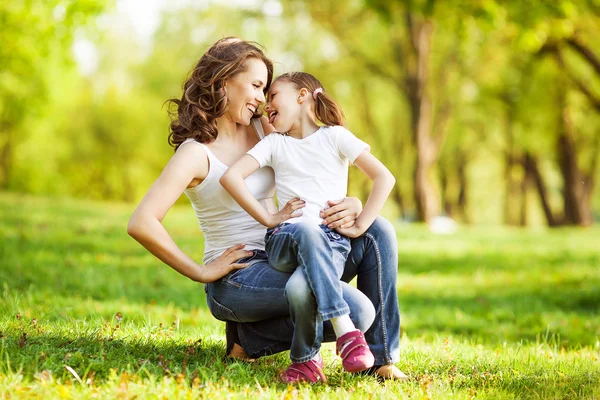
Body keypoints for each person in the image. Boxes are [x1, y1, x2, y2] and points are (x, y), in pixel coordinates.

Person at [127, 37, 407, 383]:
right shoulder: (195, 153)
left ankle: (380, 360)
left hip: (288, 250)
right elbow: (142, 221)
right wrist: (201, 271)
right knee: (359, 311)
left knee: (377, 230)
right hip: (240, 275)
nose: (262, 98)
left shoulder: (263, 129)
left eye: (266, 89)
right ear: (223, 80)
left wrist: (353, 204)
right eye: (257, 86)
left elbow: (314, 162)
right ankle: (248, 337)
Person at [220, 71, 396, 381]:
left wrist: (359, 225)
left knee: (302, 287)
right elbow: (231, 177)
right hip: (288, 237)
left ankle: (314, 362)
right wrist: (269, 218)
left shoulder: (335, 136)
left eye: (273, 95)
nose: (266, 104)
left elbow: (384, 177)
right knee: (306, 230)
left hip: (331, 242)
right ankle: (345, 330)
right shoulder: (275, 143)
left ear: (302, 95)